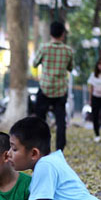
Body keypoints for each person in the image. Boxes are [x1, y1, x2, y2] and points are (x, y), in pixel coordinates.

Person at [33, 21, 74, 151]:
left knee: (40, 120)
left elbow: (34, 63)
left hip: (45, 88)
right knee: (61, 120)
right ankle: (59, 149)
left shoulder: (44, 48)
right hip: (61, 90)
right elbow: (70, 68)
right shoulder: (68, 51)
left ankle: (42, 147)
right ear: (63, 34)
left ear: (50, 33)